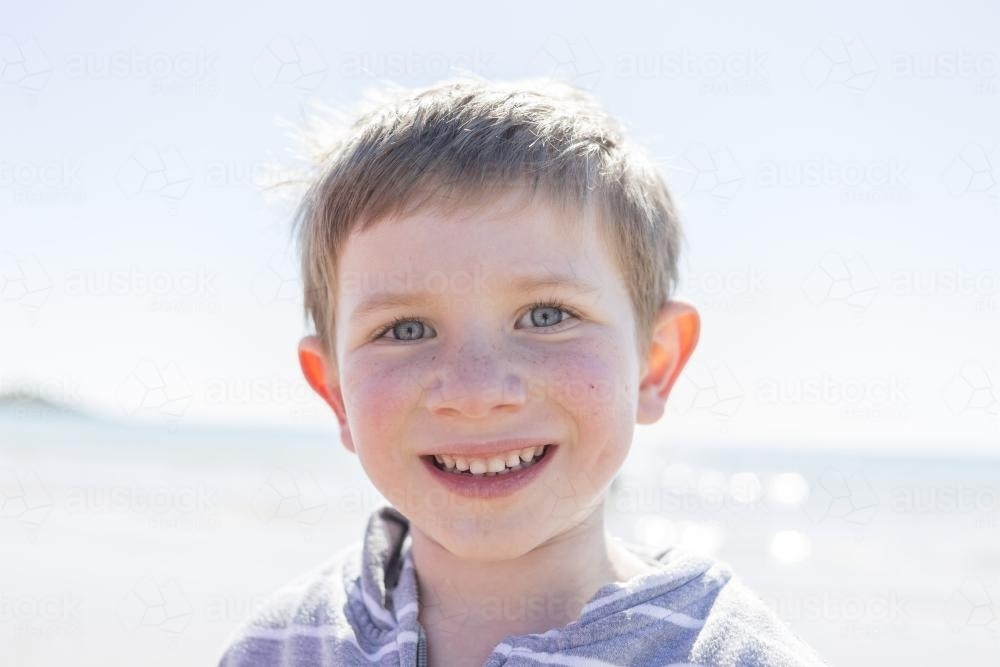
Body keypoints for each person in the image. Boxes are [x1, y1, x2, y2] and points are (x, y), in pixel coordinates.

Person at [218, 74, 828, 666]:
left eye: (545, 315)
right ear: (335, 394)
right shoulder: (282, 647)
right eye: (405, 330)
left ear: (654, 363)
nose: (477, 393)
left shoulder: (737, 655)